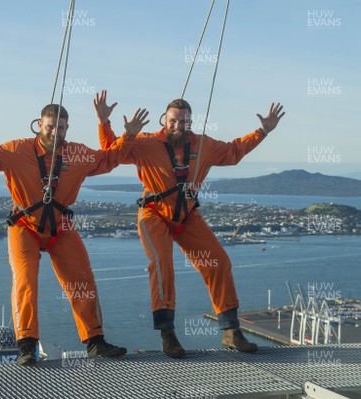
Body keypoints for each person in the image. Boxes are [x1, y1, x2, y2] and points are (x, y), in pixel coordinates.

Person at [0, 100, 149, 365]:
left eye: (60, 128)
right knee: (25, 280)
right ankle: (27, 346)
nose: (55, 132)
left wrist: (129, 136)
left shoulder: (76, 154)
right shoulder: (17, 150)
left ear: (67, 128)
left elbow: (109, 159)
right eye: (50, 127)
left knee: (82, 279)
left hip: (60, 226)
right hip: (24, 225)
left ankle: (95, 342)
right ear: (40, 125)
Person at [95, 90, 285, 357]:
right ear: (164, 120)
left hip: (186, 215)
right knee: (162, 264)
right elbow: (111, 153)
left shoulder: (203, 145)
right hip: (153, 213)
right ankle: (168, 335)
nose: (179, 126)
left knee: (218, 261)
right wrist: (106, 123)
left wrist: (262, 131)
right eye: (173, 121)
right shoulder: (146, 142)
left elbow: (233, 151)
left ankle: (231, 331)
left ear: (190, 122)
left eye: (184, 122)